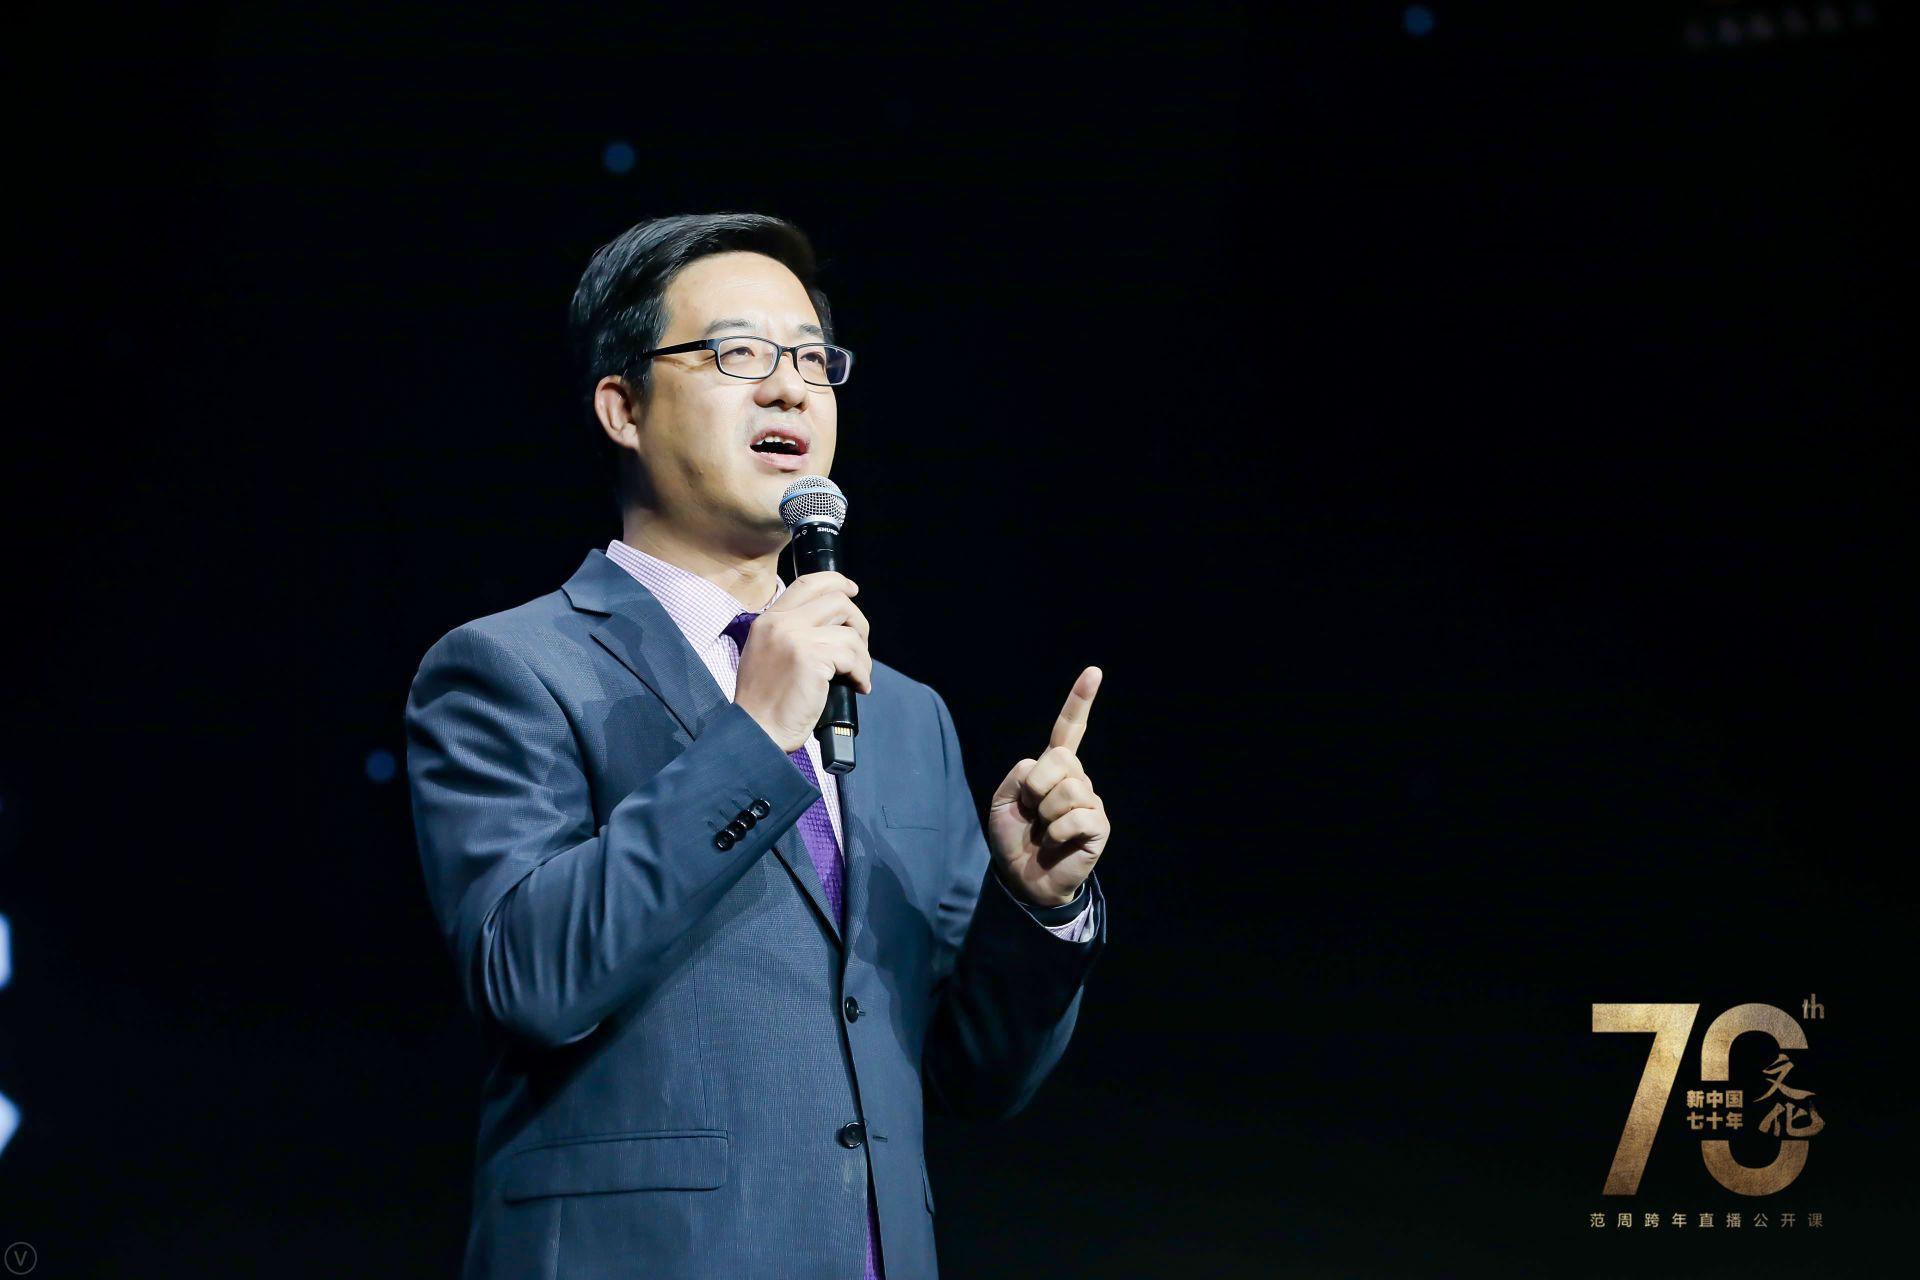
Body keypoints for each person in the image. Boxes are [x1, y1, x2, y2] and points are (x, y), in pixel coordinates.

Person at [404, 212, 1111, 1280]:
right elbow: (531, 978)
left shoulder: (902, 712)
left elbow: (976, 1075)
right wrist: (752, 736)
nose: (790, 389)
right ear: (622, 406)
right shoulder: (509, 668)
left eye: (813, 361)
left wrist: (1039, 908)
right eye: (738, 354)